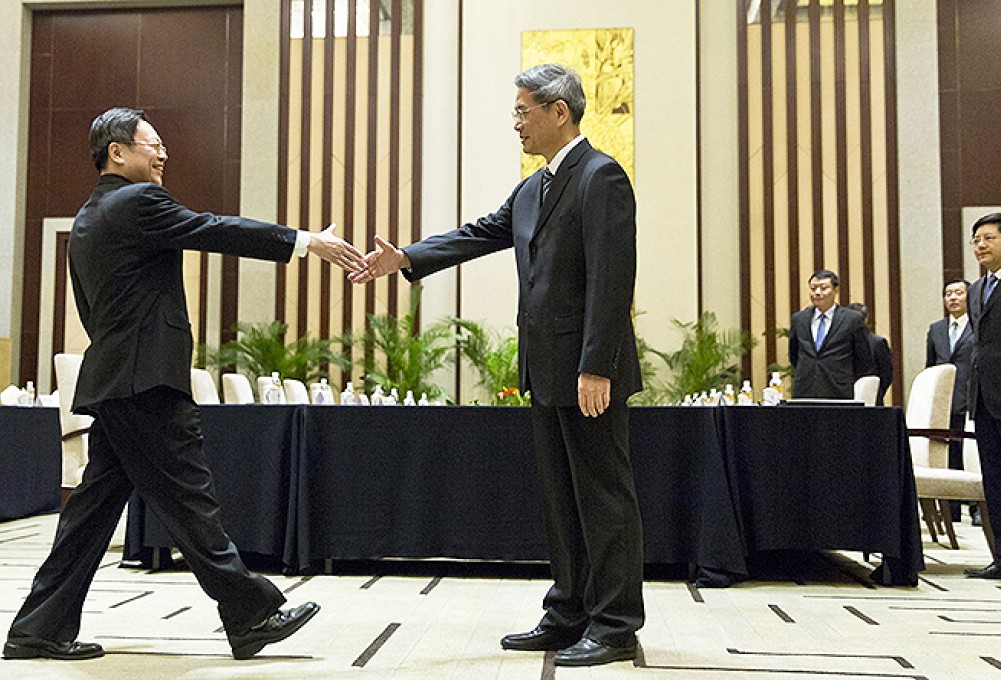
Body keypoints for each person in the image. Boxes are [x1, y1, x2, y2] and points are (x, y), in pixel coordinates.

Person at [3, 107, 366, 661]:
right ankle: (251, 613)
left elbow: (90, 308)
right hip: (145, 382)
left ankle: (37, 629)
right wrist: (303, 242)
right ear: (117, 152)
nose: (163, 152)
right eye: (152, 143)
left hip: (118, 379)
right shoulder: (138, 202)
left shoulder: (88, 217)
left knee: (89, 516)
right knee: (191, 502)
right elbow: (214, 228)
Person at [350, 64, 644, 667]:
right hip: (544, 366)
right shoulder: (534, 189)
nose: (515, 122)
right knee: (561, 499)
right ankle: (568, 612)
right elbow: (481, 232)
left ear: (558, 112)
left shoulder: (601, 176)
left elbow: (613, 283)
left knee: (603, 496)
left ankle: (614, 624)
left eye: (522, 111)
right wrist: (406, 257)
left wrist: (597, 366)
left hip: (588, 372)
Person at [962, 213, 1001, 582]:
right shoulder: (976, 288)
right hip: (984, 397)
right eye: (975, 240)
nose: (980, 246)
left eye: (988, 238)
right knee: (998, 483)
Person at [925, 279, 976, 523]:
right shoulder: (936, 329)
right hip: (943, 403)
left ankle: (977, 509)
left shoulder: (978, 326)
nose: (952, 298)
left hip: (970, 399)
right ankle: (951, 512)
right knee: (947, 455)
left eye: (958, 293)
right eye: (948, 294)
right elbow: (930, 367)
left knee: (971, 454)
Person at [788, 270, 875, 399]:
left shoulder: (852, 320)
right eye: (813, 288)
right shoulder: (799, 319)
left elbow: (864, 359)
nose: (817, 293)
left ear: (836, 290)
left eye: (823, 288)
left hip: (838, 390)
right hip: (805, 390)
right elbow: (794, 354)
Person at [846, 302, 893, 404]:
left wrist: (874, 393)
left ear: (866, 320)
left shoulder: (878, 342)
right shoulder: (841, 342)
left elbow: (886, 375)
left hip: (873, 399)